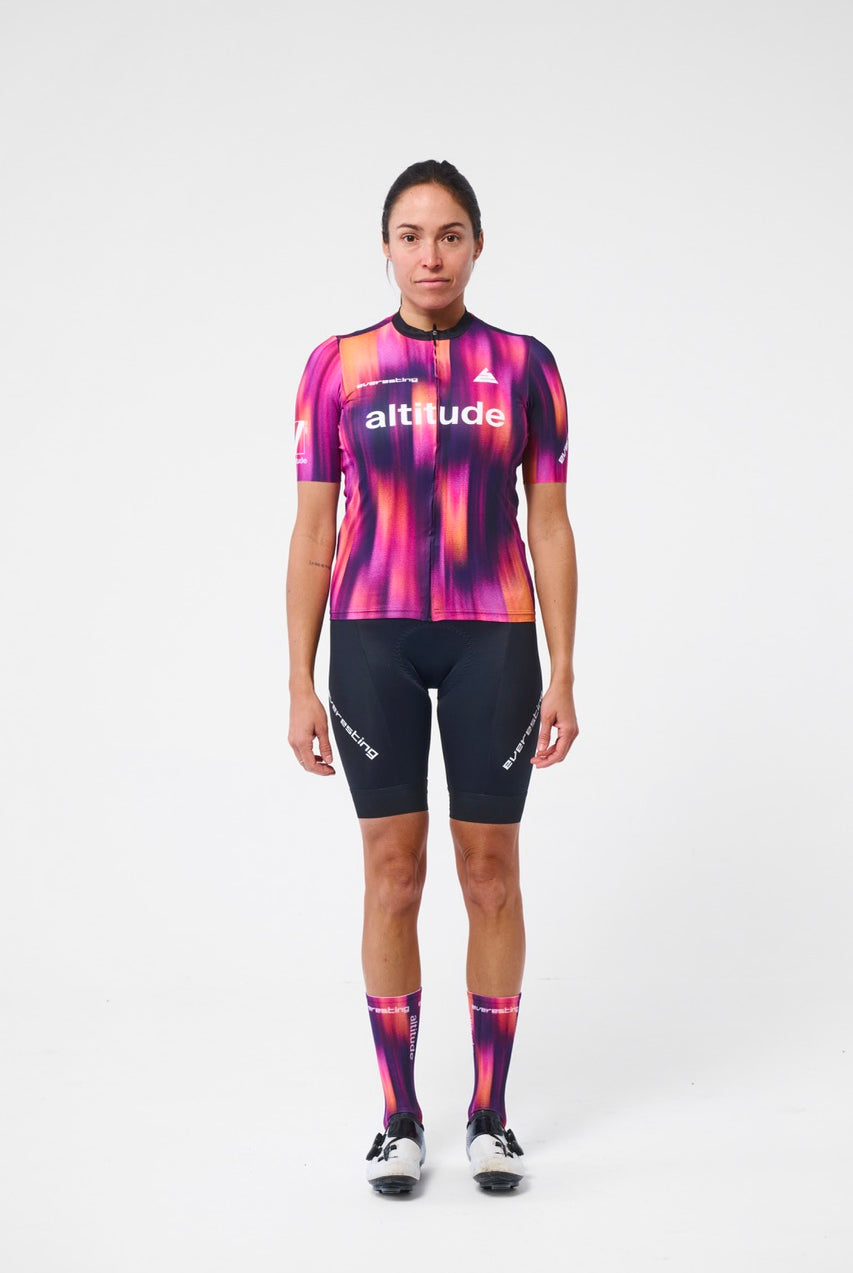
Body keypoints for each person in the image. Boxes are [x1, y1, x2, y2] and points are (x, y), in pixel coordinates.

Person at [286, 160, 578, 1194]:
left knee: (489, 874)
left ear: (477, 245)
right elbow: (313, 534)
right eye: (410, 236)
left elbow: (549, 523)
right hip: (372, 639)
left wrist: (564, 670)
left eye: (449, 235)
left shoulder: (524, 365)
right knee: (393, 875)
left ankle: (489, 1115)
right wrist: (297, 679)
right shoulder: (337, 366)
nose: (430, 255)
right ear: (385, 248)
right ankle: (398, 1118)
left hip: (494, 635)